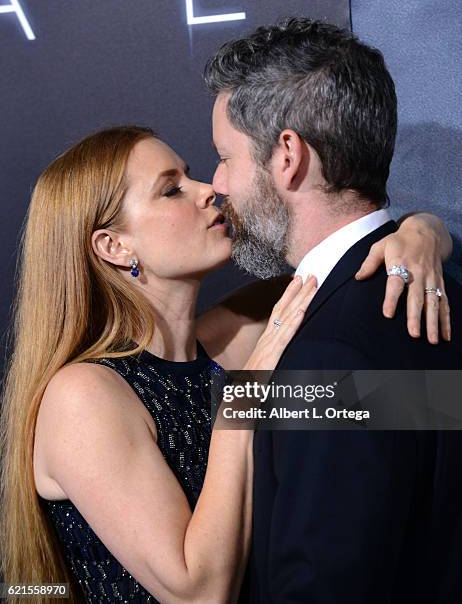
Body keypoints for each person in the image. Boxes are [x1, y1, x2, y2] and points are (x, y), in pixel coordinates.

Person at [0, 124, 453, 604]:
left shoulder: (241, 333)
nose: (208, 190)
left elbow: (418, 407)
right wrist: (244, 397)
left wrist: (424, 232)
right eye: (172, 189)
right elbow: (199, 592)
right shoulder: (83, 397)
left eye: (192, 176)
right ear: (114, 247)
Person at [204, 18, 462, 603]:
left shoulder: (328, 356)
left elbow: (323, 583)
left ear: (288, 155)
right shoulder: (440, 289)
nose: (216, 182)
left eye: (225, 156)